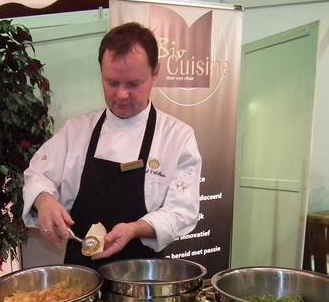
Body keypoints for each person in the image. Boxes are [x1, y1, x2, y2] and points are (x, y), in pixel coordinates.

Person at [22, 22, 201, 268]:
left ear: (155, 73)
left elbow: (182, 211)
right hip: (81, 275)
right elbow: (37, 174)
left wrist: (135, 229)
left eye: (133, 84)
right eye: (112, 83)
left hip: (142, 278)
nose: (121, 95)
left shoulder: (177, 137)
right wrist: (43, 200)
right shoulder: (77, 131)